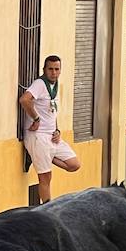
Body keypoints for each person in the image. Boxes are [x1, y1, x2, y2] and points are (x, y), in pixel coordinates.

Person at [19, 55, 81, 203]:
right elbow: (24, 99)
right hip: (38, 136)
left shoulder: (56, 85)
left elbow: (53, 111)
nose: (53, 72)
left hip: (52, 136)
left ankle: (42, 157)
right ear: (44, 70)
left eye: (56, 69)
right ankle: (47, 208)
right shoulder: (40, 84)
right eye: (50, 69)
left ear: (60, 71)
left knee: (74, 165)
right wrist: (36, 118)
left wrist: (57, 130)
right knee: (46, 177)